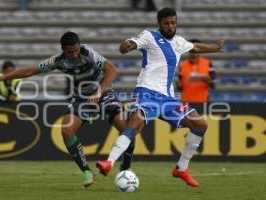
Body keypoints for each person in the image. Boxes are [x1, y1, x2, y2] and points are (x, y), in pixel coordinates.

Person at [0, 31, 135, 188]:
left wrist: (99, 91)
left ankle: (125, 168)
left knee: (126, 130)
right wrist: (1, 78)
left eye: (76, 50)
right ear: (63, 49)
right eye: (70, 52)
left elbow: (112, 69)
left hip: (103, 92)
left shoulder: (88, 52)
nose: (75, 54)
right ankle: (87, 172)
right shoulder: (58, 60)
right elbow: (31, 70)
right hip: (81, 97)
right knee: (66, 131)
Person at [96, 8, 224, 188]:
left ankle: (181, 169)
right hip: (147, 93)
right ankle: (109, 162)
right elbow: (131, 44)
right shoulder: (149, 36)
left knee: (200, 124)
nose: (170, 26)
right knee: (134, 123)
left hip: (169, 99)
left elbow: (196, 47)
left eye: (173, 23)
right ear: (159, 24)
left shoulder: (179, 41)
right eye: (166, 23)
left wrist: (216, 48)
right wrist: (127, 45)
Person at [177, 39, 216, 103]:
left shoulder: (208, 63)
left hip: (203, 101)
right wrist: (178, 85)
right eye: (192, 48)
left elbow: (213, 86)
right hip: (186, 102)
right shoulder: (182, 66)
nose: (194, 51)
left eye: (197, 48)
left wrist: (209, 81)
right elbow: (180, 87)